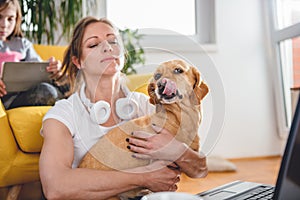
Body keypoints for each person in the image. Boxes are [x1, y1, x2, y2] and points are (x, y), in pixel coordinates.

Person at [39, 16, 208, 200]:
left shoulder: (146, 107)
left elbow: (200, 170)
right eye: (94, 45)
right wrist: (144, 177)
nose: (107, 47)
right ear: (78, 61)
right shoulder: (63, 115)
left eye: (113, 41)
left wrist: (178, 152)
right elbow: (55, 188)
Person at [0, 0, 64, 109]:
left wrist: (54, 70)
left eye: (10, 19)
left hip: (29, 91)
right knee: (46, 91)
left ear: (17, 20)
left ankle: (74, 104)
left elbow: (40, 70)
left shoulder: (23, 44)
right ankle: (68, 104)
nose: (4, 25)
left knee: (71, 80)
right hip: (9, 99)